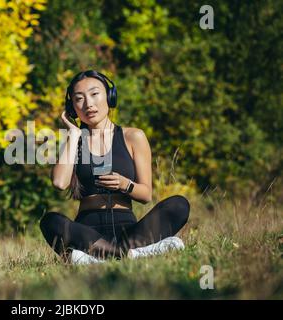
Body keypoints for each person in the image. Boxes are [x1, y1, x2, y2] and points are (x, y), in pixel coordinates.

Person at [39, 70, 190, 264]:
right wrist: (74, 135)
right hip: (88, 233)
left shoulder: (133, 136)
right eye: (79, 99)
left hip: (130, 230)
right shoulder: (72, 141)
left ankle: (98, 257)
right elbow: (59, 183)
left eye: (94, 94)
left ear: (110, 97)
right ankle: (130, 254)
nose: (88, 104)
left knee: (178, 204)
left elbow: (146, 195)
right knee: (50, 221)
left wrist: (125, 184)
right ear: (72, 107)